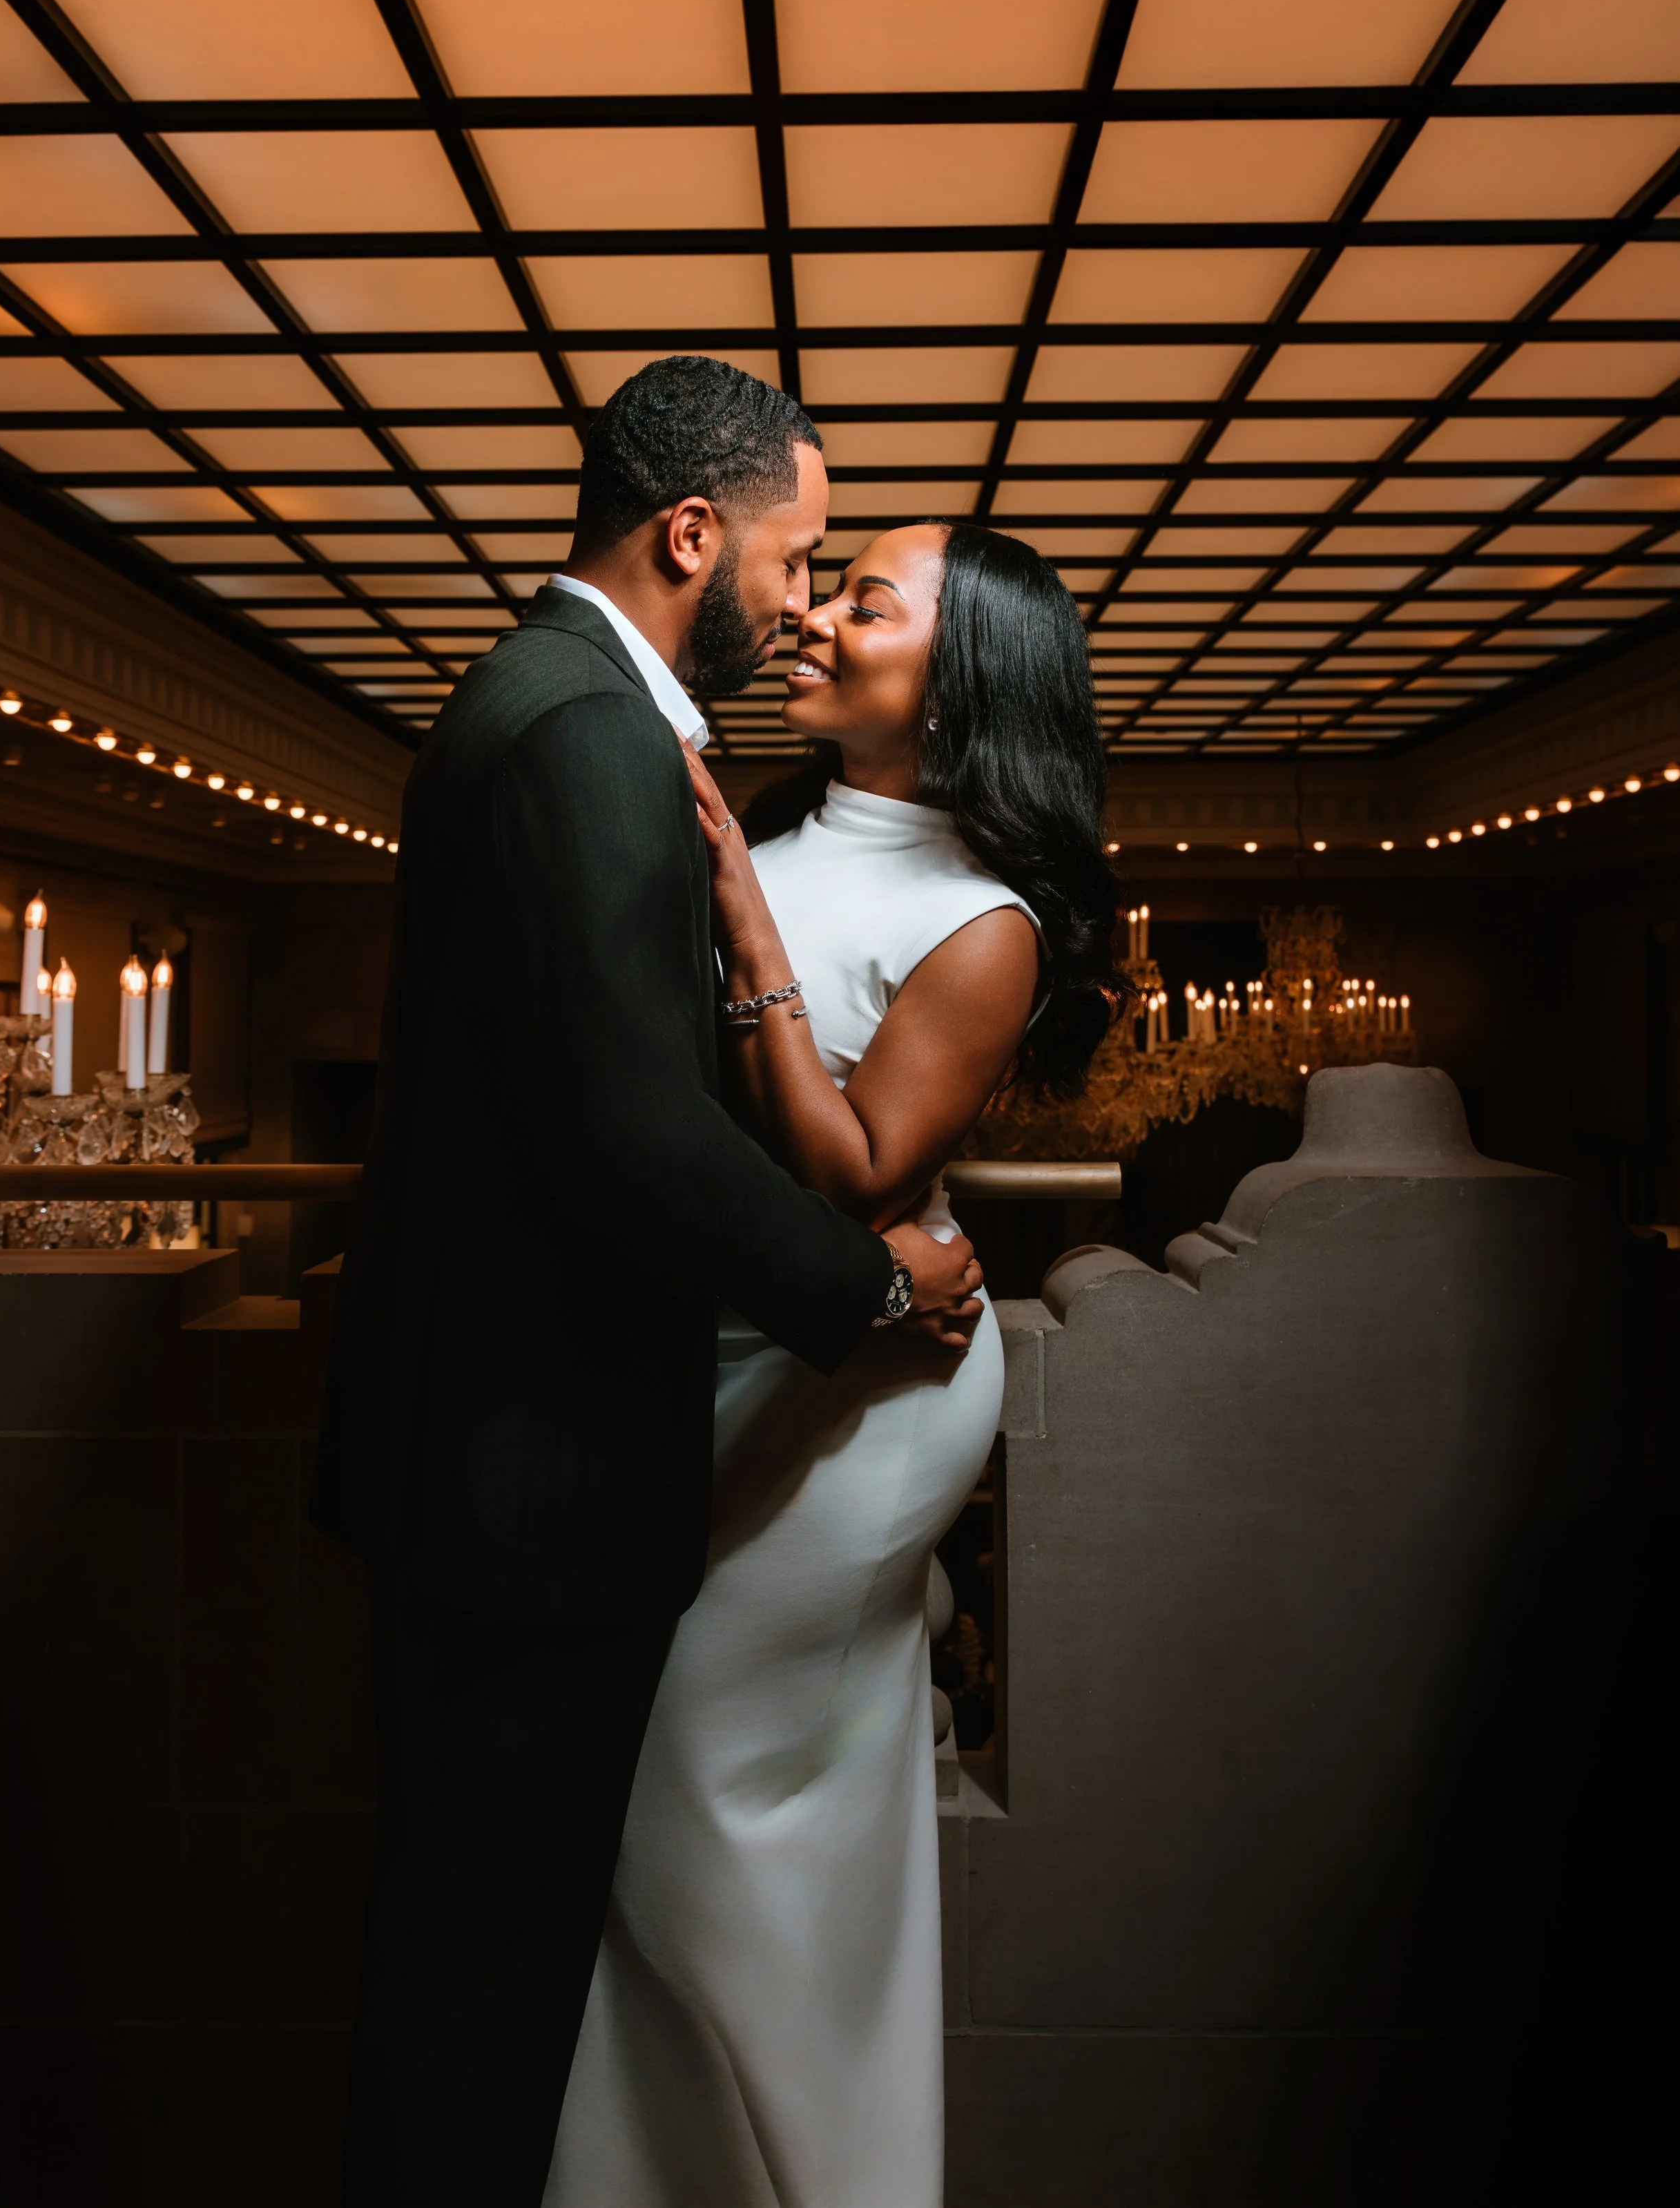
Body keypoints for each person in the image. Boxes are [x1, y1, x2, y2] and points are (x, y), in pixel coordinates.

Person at [311, 358, 985, 2207]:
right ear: (693, 534)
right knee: (478, 1997)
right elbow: (625, 1131)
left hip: (479, 1461)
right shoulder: (590, 732)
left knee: (467, 1969)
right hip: (530, 1481)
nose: (800, 602)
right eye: (798, 555)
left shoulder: (550, 703)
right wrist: (862, 1289)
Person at [545, 518, 1127, 2208]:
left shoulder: (986, 917)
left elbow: (852, 1177)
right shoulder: (761, 821)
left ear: (963, 683)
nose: (810, 618)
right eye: (829, 585)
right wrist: (731, 878)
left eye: (864, 602)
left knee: (699, 1795)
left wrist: (743, 921)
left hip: (859, 1392)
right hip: (726, 1352)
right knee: (689, 1808)